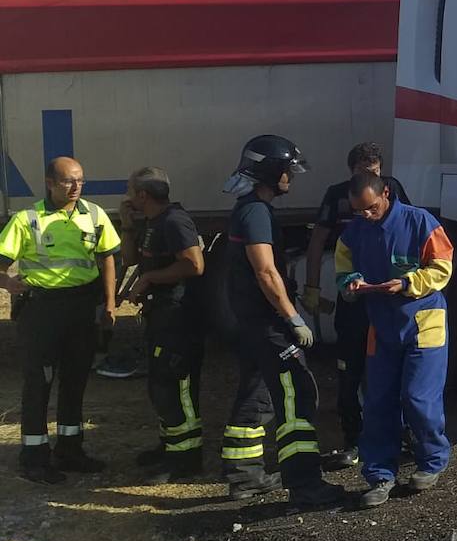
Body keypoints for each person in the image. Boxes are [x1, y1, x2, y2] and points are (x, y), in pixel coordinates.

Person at [220, 135, 343, 506]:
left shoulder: (249, 209)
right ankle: (304, 483)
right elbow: (266, 273)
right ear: (270, 172)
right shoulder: (256, 212)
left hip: (253, 322)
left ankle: (244, 476)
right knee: (297, 395)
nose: (291, 176)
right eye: (287, 170)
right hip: (270, 325)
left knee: (256, 394)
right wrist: (294, 319)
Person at [335, 172, 454, 508]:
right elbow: (343, 267)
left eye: (371, 208)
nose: (366, 216)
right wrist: (352, 283)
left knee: (418, 397)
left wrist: (405, 284)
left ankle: (432, 460)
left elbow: (443, 267)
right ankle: (379, 474)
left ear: (386, 194)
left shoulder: (420, 222)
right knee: (378, 402)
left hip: (425, 322)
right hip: (382, 326)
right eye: (359, 211)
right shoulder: (354, 232)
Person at [0, 157, 121, 483]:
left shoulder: (94, 215)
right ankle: (34, 456)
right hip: (42, 311)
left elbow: (107, 258)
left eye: (80, 180)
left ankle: (70, 449)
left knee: (75, 380)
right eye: (68, 181)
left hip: (81, 308)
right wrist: (7, 282)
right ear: (50, 183)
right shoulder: (27, 219)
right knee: (39, 382)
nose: (75, 187)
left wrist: (110, 304)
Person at [303, 142, 410, 470]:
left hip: (389, 297)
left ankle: (400, 435)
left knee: (396, 367)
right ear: (351, 172)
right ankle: (353, 439)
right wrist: (312, 287)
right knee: (350, 370)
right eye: (364, 172)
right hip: (355, 296)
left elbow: (409, 232)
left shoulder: (393, 189)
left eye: (375, 172)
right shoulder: (336, 195)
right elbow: (319, 239)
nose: (371, 179)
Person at [124, 166, 207, 484]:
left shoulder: (175, 221)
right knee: (160, 385)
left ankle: (186, 459)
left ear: (142, 194)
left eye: (131, 191)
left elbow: (193, 263)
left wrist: (149, 278)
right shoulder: (151, 223)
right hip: (161, 317)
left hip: (179, 319)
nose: (129, 197)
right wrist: (129, 227)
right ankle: (169, 446)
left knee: (177, 386)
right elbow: (130, 259)